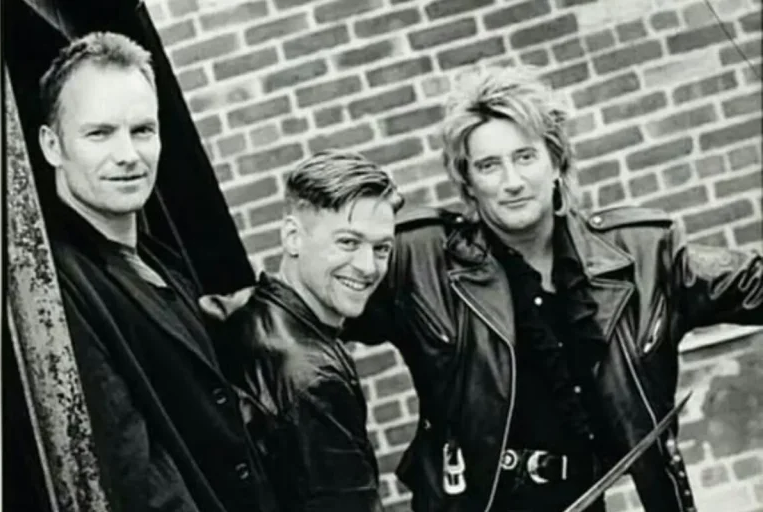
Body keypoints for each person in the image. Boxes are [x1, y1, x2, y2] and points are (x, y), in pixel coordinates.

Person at [338, 65, 763, 511]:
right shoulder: (420, 262)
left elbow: (751, 283)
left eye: (525, 156)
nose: (512, 182)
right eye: (489, 166)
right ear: (468, 181)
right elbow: (313, 312)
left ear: (556, 161)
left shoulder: (640, 256)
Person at [39, 32, 277, 512]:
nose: (128, 154)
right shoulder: (56, 287)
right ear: (52, 146)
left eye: (142, 130)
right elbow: (135, 477)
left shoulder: (158, 255)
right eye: (99, 133)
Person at [203, 151, 401, 512]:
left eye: (381, 248)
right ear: (293, 237)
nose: (368, 267)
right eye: (348, 242)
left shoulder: (241, 310)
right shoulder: (314, 377)